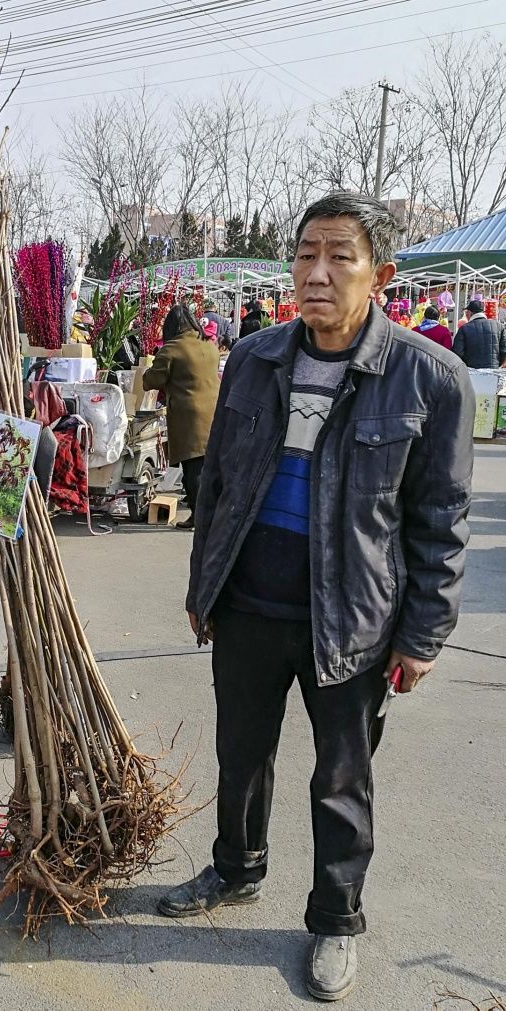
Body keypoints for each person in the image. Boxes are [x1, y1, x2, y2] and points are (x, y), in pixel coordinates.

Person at [158, 193, 474, 1003]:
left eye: (340, 254)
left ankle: (336, 919)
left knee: (342, 778)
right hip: (250, 608)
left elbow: (441, 522)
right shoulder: (256, 358)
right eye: (305, 253)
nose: (317, 272)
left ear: (383, 273)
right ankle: (236, 870)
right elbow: (220, 484)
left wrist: (423, 635)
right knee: (242, 757)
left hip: (354, 623)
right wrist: (205, 587)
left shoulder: (429, 379)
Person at [141, 304, 220, 531]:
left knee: (193, 469)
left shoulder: (172, 349)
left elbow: (152, 381)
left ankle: (199, 518)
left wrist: (145, 373)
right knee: (206, 467)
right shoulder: (209, 345)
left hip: (189, 416)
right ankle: (208, 515)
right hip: (214, 413)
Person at [453, 298, 506, 368]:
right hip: (494, 370)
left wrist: (467, 363)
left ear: (470, 312)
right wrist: (497, 364)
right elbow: (504, 350)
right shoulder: (499, 326)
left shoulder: (464, 328)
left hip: (471, 370)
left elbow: (457, 351)